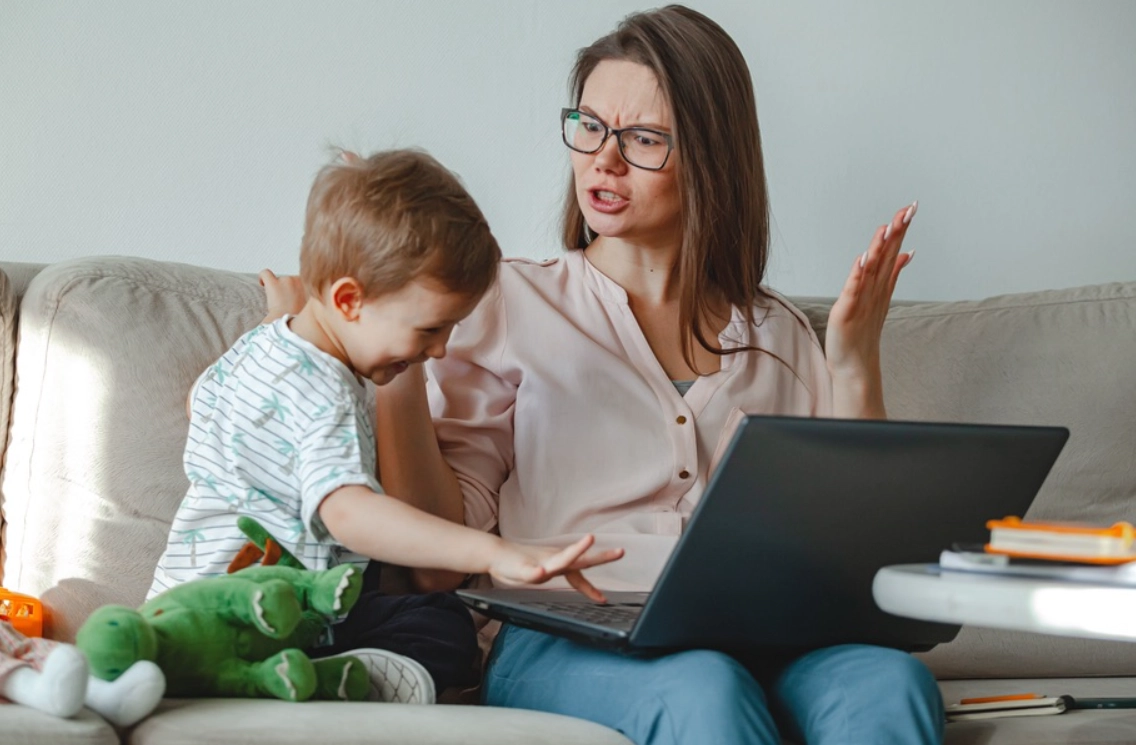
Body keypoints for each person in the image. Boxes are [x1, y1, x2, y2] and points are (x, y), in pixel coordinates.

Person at [266, 8, 941, 742]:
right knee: (702, 689)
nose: (604, 162)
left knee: (889, 681)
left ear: (712, 157)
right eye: (589, 127)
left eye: (644, 140)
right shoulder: (502, 303)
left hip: (771, 639)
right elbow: (437, 559)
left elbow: (855, 560)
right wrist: (389, 361)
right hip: (569, 639)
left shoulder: (777, 333)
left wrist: (852, 360)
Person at [152, 149, 622, 705]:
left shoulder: (266, 346)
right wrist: (495, 554)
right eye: (429, 329)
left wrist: (269, 320)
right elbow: (350, 514)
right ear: (349, 300)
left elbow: (196, 404)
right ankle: (339, 676)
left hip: (185, 603)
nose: (440, 350)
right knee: (440, 627)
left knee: (410, 608)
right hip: (253, 619)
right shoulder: (322, 387)